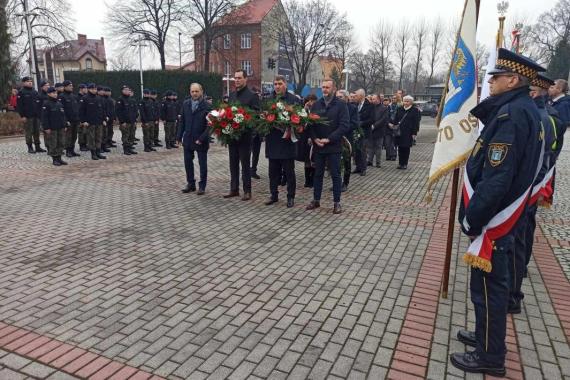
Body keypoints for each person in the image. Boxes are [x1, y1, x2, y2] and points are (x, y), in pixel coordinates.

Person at [451, 48, 545, 377]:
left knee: (490, 288)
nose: (491, 82)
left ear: (513, 80)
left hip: (496, 220)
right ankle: (484, 338)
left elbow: (498, 177)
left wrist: (472, 217)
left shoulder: (511, 115)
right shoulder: (519, 109)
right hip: (502, 216)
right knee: (489, 287)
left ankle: (491, 356)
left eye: (496, 77)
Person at [509, 73, 564, 314]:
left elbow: (545, 159)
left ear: (533, 93)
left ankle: (512, 292)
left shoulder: (544, 118)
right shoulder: (542, 115)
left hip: (526, 191)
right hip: (527, 190)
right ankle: (514, 287)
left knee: (517, 242)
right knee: (520, 239)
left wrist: (529, 190)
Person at [306, 79, 350, 214]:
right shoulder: (316, 104)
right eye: (323, 87)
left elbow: (344, 125)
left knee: (336, 175)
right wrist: (315, 139)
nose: (324, 89)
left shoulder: (341, 105)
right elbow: (310, 125)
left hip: (334, 146)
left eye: (327, 87)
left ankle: (337, 203)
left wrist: (329, 139)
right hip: (319, 146)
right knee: (317, 175)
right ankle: (316, 200)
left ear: (334, 89)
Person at [264, 76, 300, 208]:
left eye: (280, 83)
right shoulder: (268, 100)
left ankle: (290, 197)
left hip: (287, 142)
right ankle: (274, 195)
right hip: (272, 141)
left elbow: (299, 119)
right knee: (272, 172)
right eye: (275, 84)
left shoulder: (293, 100)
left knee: (289, 172)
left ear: (286, 84)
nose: (277, 86)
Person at [225, 69, 260, 201]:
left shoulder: (252, 95)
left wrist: (248, 125)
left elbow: (256, 114)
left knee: (245, 165)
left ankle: (247, 191)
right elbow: (228, 113)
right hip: (232, 136)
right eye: (235, 78)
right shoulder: (232, 95)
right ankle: (234, 189)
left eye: (239, 78)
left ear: (246, 79)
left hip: (245, 136)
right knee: (232, 163)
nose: (237, 80)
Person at [178, 83, 211, 195]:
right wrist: (179, 136)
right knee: (188, 162)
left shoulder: (207, 106)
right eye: (192, 91)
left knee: (202, 163)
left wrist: (202, 138)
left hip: (201, 140)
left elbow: (210, 125)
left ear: (201, 91)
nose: (194, 93)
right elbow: (182, 121)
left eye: (197, 91)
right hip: (188, 138)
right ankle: (190, 184)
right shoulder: (186, 104)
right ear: (190, 92)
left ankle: (202, 186)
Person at [336, 90, 359, 192]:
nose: (338, 98)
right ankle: (337, 183)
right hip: (335, 137)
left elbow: (355, 123)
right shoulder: (334, 107)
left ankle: (345, 183)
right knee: (335, 162)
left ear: (346, 98)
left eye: (340, 97)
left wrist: (343, 129)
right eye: (337, 97)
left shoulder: (353, 108)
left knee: (346, 162)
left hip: (346, 138)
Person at [16, 76, 44, 153]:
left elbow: (38, 104)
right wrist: (22, 116)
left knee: (37, 131)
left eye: (31, 81)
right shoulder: (21, 92)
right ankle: (30, 147)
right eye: (28, 81)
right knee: (29, 132)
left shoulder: (35, 92)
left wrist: (39, 114)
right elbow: (19, 106)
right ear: (24, 82)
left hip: (36, 115)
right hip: (27, 116)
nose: (30, 82)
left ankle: (38, 146)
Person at [391, 95, 420, 169]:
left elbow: (416, 123)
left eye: (408, 101)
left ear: (411, 102)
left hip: (408, 133)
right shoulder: (399, 109)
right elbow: (396, 119)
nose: (406, 103)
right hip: (400, 132)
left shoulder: (415, 110)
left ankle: (405, 164)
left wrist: (414, 133)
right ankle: (400, 163)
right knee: (400, 148)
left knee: (406, 148)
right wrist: (394, 126)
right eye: (405, 101)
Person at [41, 87, 68, 166]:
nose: (55, 94)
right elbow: (44, 117)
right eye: (53, 93)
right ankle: (55, 159)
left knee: (61, 142)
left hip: (60, 127)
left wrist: (65, 124)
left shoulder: (59, 103)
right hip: (52, 128)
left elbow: (63, 115)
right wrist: (46, 128)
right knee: (53, 143)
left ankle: (59, 158)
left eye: (56, 93)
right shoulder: (46, 104)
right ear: (49, 94)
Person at [79, 83, 106, 160]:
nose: (94, 90)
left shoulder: (99, 98)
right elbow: (81, 111)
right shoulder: (85, 98)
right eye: (93, 89)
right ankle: (93, 153)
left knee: (98, 137)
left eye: (95, 89)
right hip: (90, 123)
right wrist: (84, 121)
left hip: (99, 121)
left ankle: (98, 152)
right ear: (89, 89)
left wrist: (103, 119)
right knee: (91, 138)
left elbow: (102, 110)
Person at [297, 94, 317, 188]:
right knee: (306, 159)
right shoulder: (303, 110)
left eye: (313, 101)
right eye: (310, 101)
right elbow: (300, 122)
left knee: (313, 159)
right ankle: (307, 180)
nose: (311, 103)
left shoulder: (317, 110)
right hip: (305, 136)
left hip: (313, 136)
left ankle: (312, 180)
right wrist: (305, 110)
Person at [353, 89, 373, 176]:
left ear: (361, 96)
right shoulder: (355, 104)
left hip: (365, 131)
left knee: (362, 150)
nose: (355, 97)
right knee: (356, 150)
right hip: (355, 131)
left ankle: (363, 168)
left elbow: (372, 119)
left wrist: (362, 123)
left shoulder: (370, 106)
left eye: (356, 95)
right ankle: (358, 167)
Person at [59, 80, 81, 158]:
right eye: (69, 86)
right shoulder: (62, 96)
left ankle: (72, 150)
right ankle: (68, 151)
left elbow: (77, 108)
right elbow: (62, 110)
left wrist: (78, 118)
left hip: (75, 119)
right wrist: (65, 120)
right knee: (68, 136)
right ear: (65, 87)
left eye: (72, 85)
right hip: (68, 121)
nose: (71, 87)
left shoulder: (74, 96)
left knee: (74, 136)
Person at [115, 85, 138, 155]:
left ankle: (130, 148)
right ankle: (126, 149)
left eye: (128, 90)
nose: (127, 91)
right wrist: (122, 121)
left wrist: (135, 120)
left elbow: (135, 111)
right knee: (125, 136)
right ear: (122, 91)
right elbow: (118, 111)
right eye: (125, 90)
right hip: (125, 122)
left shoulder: (132, 100)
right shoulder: (120, 100)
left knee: (132, 135)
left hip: (132, 121)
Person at [368, 94, 390, 168]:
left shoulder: (384, 108)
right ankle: (369, 161)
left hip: (379, 130)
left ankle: (378, 162)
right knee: (370, 147)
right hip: (370, 130)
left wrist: (374, 125)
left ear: (378, 99)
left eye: (374, 99)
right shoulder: (371, 107)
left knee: (378, 147)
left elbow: (383, 119)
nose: (372, 100)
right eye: (372, 99)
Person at [77, 84, 89, 151]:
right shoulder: (77, 97)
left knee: (86, 132)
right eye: (85, 88)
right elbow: (78, 109)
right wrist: (80, 120)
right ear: (81, 89)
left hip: (86, 117)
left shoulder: (86, 97)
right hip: (80, 118)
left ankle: (86, 144)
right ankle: (82, 145)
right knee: (81, 132)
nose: (86, 90)